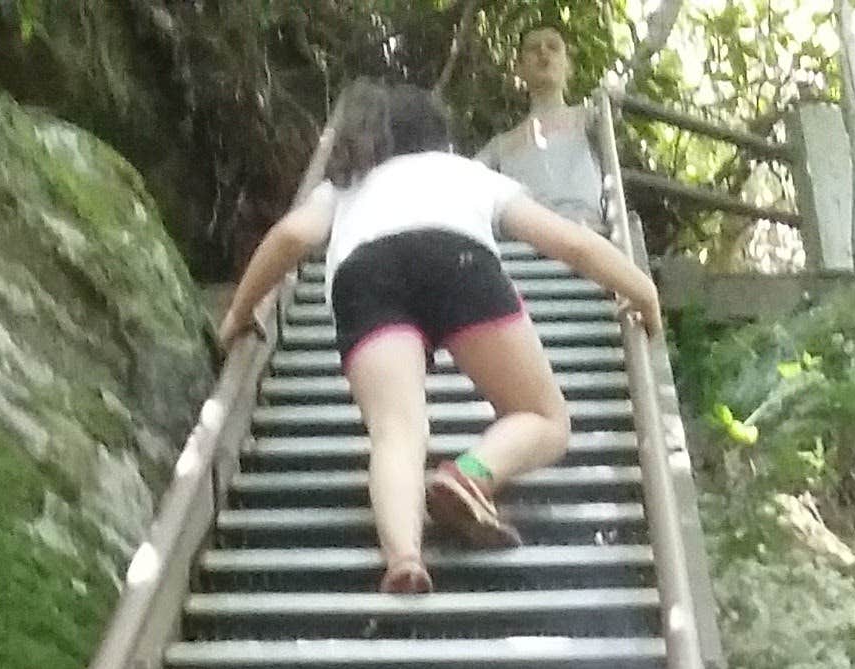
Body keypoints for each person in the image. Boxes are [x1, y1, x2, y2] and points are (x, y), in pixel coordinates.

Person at [217, 81, 662, 598]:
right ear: (441, 138)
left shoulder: (346, 185)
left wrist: (238, 314)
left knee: (396, 432)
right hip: (458, 262)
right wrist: (643, 292)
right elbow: (572, 242)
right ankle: (469, 475)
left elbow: (291, 237)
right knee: (544, 418)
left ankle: (404, 558)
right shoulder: (464, 173)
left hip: (364, 277)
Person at [477, 26, 607, 229]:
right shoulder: (501, 145)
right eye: (533, 48)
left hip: (586, 231)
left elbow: (613, 120)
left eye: (553, 47)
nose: (543, 52)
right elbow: (467, 180)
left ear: (568, 65)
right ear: (519, 69)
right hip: (525, 238)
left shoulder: (589, 117)